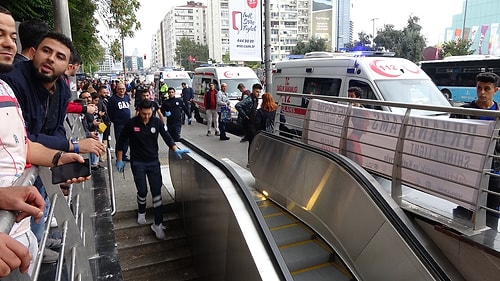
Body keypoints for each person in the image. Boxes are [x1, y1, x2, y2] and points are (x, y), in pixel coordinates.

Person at [115, 99, 190, 240]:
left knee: (157, 192)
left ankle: (158, 222)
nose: (147, 117)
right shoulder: (131, 124)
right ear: (138, 111)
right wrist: (119, 159)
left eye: (149, 113)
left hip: (153, 162)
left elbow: (166, 137)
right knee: (142, 190)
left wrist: (175, 149)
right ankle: (141, 211)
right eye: (144, 114)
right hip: (138, 162)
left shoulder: (156, 122)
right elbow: (121, 141)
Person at [450, 72, 500, 228]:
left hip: (494, 173)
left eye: (487, 89)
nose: (482, 93)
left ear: (496, 90)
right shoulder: (463, 113)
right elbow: (450, 138)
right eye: (479, 88)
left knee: (491, 215)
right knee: (463, 212)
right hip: (468, 171)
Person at [235, 83, 263, 166]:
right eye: (257, 91)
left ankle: (252, 160)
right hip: (249, 123)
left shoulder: (255, 99)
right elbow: (238, 105)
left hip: (252, 122)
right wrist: (245, 115)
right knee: (252, 142)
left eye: (259, 92)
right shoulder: (249, 99)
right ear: (253, 90)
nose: (259, 94)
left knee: (253, 141)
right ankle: (250, 161)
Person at [107, 82, 131, 161]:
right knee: (120, 140)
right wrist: (114, 120)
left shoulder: (126, 97)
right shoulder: (113, 99)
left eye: (123, 89)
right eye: (120, 89)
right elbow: (109, 111)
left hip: (127, 122)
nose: (121, 90)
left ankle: (124, 155)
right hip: (119, 123)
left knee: (127, 139)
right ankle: (119, 156)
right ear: (116, 90)